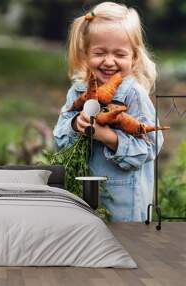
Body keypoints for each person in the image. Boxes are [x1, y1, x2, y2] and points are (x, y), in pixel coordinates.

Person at [53, 2, 164, 222]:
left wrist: (107, 136)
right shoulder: (77, 92)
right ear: (85, 54)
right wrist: (76, 125)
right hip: (82, 196)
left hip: (123, 204)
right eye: (100, 52)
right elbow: (59, 140)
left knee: (123, 250)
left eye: (119, 54)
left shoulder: (134, 95)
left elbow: (151, 148)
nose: (109, 61)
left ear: (134, 58)